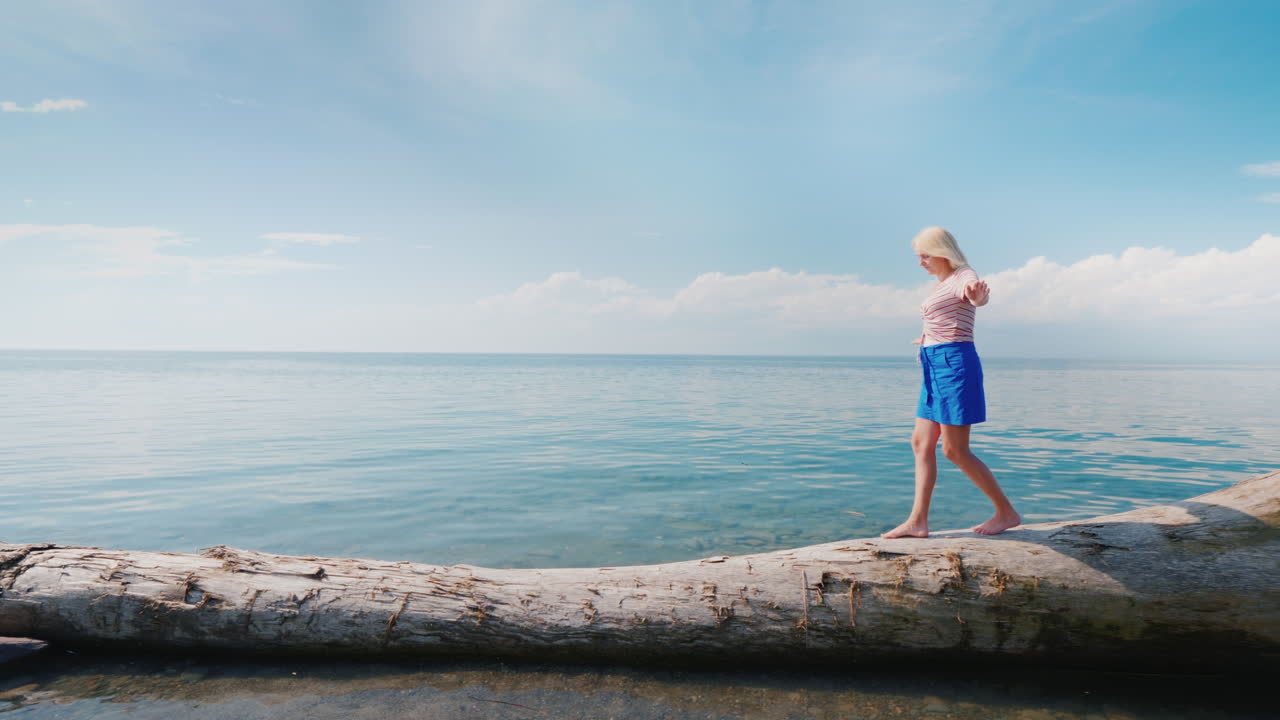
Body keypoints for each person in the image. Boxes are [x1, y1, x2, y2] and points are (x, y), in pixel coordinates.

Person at [881, 227, 1021, 538]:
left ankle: (1006, 512)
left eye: (925, 255)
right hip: (933, 365)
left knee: (955, 450)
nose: (921, 262)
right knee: (920, 443)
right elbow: (945, 319)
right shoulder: (941, 283)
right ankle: (918, 521)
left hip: (954, 366)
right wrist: (928, 339)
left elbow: (976, 295)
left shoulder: (963, 275)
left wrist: (979, 298)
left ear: (943, 252)